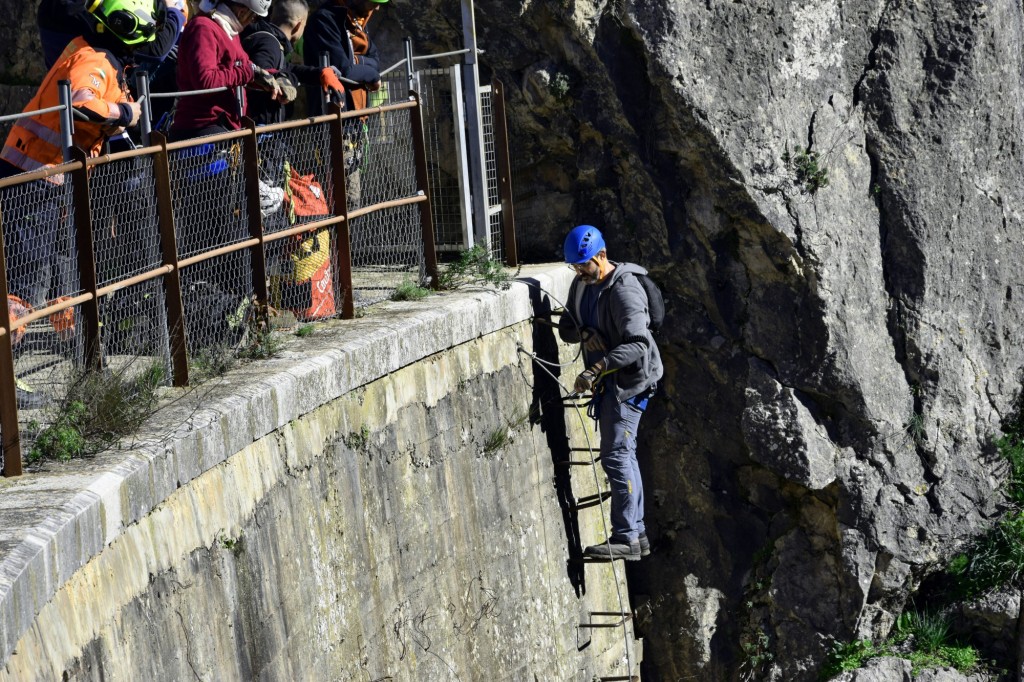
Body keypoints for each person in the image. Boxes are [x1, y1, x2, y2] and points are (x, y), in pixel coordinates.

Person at [1, 0, 158, 407]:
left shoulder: (91, 52)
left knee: (64, 281)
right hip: (35, 180)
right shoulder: (95, 61)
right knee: (26, 285)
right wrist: (125, 111)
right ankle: (4, 385)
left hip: (52, 181)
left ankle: (87, 367)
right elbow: (82, 102)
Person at [558, 225, 663, 561]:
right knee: (624, 455)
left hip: (630, 384)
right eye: (574, 266)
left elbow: (638, 343)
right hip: (610, 383)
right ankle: (638, 535)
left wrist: (596, 368)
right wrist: (586, 331)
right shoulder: (582, 285)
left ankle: (625, 537)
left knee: (617, 456)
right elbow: (567, 329)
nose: (579, 272)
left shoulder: (624, 292)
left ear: (601, 256)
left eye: (584, 265)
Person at [169, 0, 280, 141]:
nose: (252, 22)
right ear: (242, 11)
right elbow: (206, 81)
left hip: (221, 128)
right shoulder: (203, 28)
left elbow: (246, 68)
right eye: (254, 17)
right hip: (201, 130)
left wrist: (275, 78)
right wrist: (249, 73)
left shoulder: (229, 31)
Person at [241, 0, 346, 125]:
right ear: (298, 25)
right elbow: (262, 70)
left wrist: (320, 73)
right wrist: (283, 78)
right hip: (260, 131)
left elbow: (286, 69)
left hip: (262, 126)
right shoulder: (269, 44)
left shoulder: (269, 40)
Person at [302, 0, 385, 116]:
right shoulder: (324, 20)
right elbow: (344, 70)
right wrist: (373, 76)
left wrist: (356, 61)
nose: (377, 8)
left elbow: (376, 62)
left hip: (357, 113)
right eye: (373, 2)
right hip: (332, 113)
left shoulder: (357, 22)